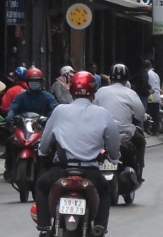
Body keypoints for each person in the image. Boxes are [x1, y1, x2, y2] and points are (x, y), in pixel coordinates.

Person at [34, 72, 120, 237]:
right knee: (105, 191)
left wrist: (43, 152)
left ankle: (44, 227)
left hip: (62, 169)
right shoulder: (102, 113)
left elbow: (45, 143)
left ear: (72, 89)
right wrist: (114, 158)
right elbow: (114, 141)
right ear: (93, 90)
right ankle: (99, 228)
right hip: (90, 171)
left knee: (41, 186)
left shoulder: (60, 111)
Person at [93, 63, 147, 181]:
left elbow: (93, 110)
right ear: (126, 78)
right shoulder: (130, 93)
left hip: (102, 134)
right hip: (124, 134)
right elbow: (141, 115)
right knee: (141, 141)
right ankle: (138, 174)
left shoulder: (100, 92)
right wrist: (144, 117)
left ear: (111, 77)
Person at [4, 68, 58, 182]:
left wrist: (51, 117)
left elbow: (55, 108)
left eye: (37, 81)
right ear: (27, 82)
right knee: (10, 141)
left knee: (54, 143)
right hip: (24, 128)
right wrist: (9, 116)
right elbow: (13, 108)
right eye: (32, 81)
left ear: (41, 82)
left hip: (42, 129)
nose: (34, 83)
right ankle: (9, 168)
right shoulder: (21, 96)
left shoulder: (47, 96)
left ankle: (52, 168)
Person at [142, 60, 162, 132]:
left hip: (150, 97)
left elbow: (145, 84)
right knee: (155, 115)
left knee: (147, 114)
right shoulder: (156, 75)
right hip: (157, 97)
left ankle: (146, 130)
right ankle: (155, 130)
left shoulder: (146, 73)